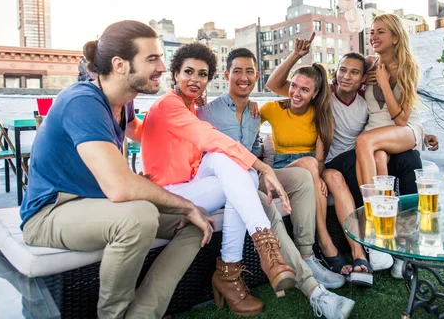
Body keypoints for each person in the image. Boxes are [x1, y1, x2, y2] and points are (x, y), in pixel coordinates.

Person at [19, 20, 215, 319]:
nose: (163, 67)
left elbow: (141, 133)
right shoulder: (82, 101)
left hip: (95, 202)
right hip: (50, 212)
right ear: (120, 64)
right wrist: (180, 202)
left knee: (197, 220)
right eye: (152, 59)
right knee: (140, 217)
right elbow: (120, 187)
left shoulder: (122, 103)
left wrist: (183, 120)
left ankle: (143, 313)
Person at [197, 47, 355, 319]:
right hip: (222, 184)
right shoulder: (207, 111)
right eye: (237, 71)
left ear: (256, 76)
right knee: (268, 208)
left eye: (249, 71)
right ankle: (316, 292)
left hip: (253, 175)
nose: (243, 77)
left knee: (305, 176)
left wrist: (263, 162)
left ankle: (306, 254)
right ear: (226, 75)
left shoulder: (255, 113)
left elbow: (255, 149)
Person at [141, 43, 297, 317]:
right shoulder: (169, 105)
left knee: (237, 171)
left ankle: (237, 267)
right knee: (240, 171)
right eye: (188, 72)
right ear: (175, 74)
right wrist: (263, 166)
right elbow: (208, 137)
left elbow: (145, 131)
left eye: (202, 75)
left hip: (190, 190)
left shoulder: (189, 108)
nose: (195, 79)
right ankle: (251, 258)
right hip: (166, 197)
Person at [323, 51, 438, 279]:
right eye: (343, 70)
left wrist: (423, 135)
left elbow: (387, 122)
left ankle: (406, 244)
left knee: (410, 159)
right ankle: (376, 233)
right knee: (364, 155)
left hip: (364, 152)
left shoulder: (365, 97)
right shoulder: (326, 93)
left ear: (364, 78)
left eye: (355, 73)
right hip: (342, 159)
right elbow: (293, 90)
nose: (347, 76)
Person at [263, 35, 352, 279]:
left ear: (314, 94)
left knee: (314, 165)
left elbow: (320, 159)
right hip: (283, 170)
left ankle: (335, 247)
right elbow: (271, 84)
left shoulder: (321, 115)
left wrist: (316, 175)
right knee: (311, 164)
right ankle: (324, 240)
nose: (296, 93)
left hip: (311, 170)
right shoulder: (273, 108)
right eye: (294, 86)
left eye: (304, 89)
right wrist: (295, 55)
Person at [355, 13, 426, 187]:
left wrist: (384, 84)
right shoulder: (370, 64)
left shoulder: (408, 68)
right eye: (371, 32)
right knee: (378, 157)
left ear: (395, 37)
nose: (373, 37)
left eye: (380, 32)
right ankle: (384, 201)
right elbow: (342, 78)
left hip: (405, 129)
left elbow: (402, 119)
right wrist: (360, 81)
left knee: (363, 141)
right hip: (378, 130)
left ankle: (372, 205)